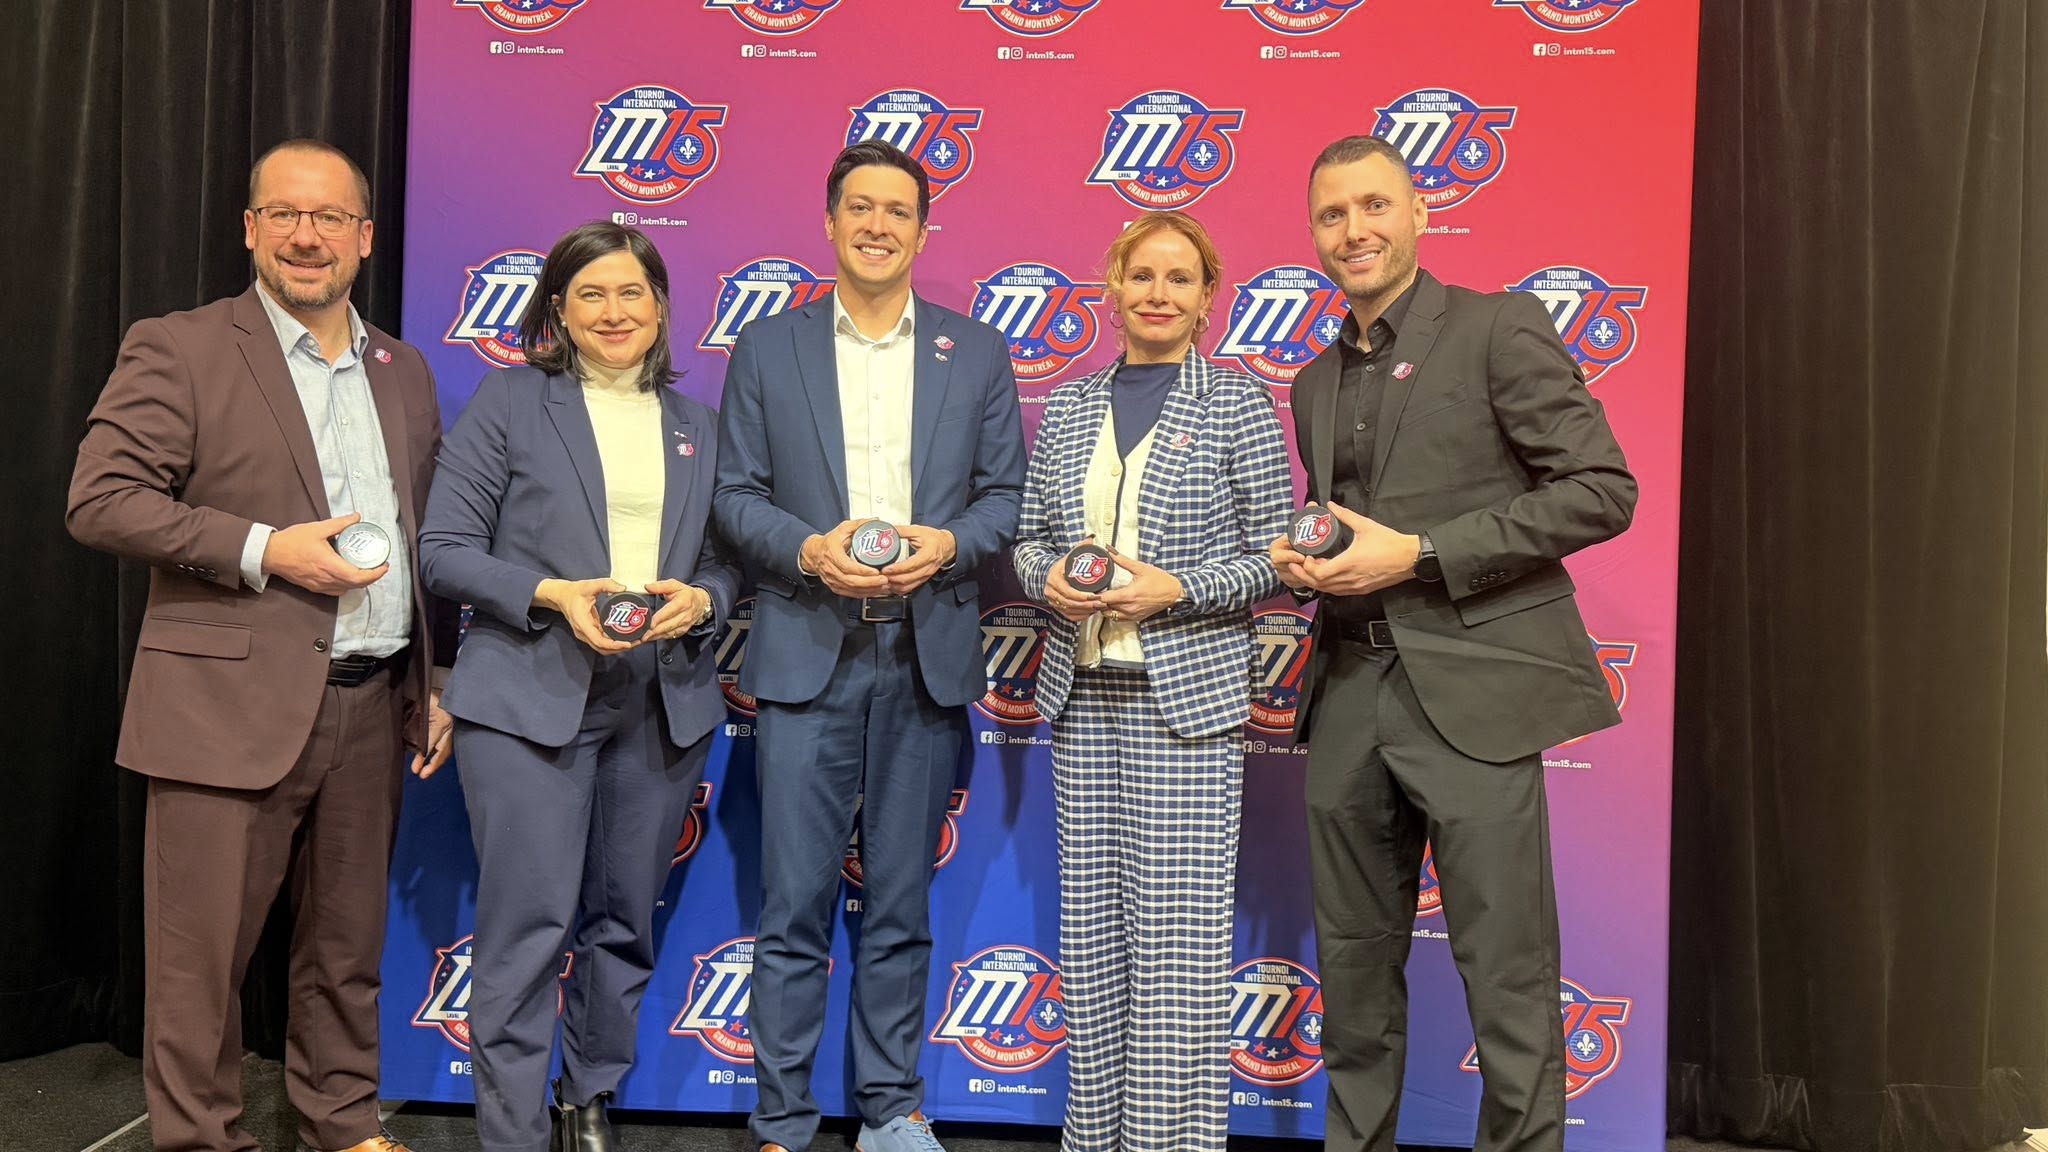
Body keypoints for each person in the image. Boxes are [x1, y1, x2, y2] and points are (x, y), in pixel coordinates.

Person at [66, 139, 453, 1152]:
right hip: (222, 710)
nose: (305, 236)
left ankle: (341, 1121)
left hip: (373, 704)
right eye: (283, 213)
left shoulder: (404, 368)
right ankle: (200, 1140)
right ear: (249, 229)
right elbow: (101, 500)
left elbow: (422, 537)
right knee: (200, 967)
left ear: (365, 237)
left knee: (346, 948)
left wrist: (434, 676)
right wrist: (266, 549)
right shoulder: (181, 346)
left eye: (329, 217)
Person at [1268, 135, 1638, 1152]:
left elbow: (1601, 490)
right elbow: (1349, 530)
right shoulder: (1310, 382)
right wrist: (1309, 562)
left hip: (1472, 694)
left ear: (1420, 213)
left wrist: (1422, 554)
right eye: (1332, 214)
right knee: (1351, 973)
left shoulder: (1496, 327)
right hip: (1348, 690)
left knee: (1507, 970)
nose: (1354, 229)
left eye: (1374, 205)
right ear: (1313, 234)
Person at [712, 140, 1026, 1152]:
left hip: (924, 659)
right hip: (808, 653)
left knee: (899, 905)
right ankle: (782, 1121)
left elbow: (1004, 499)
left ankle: (889, 1108)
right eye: (860, 207)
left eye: (898, 210)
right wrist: (809, 551)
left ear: (923, 231)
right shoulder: (769, 348)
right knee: (792, 906)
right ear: (830, 221)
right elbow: (734, 497)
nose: (878, 225)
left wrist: (948, 547)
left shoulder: (974, 351)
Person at [418, 221, 741, 1152]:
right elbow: (443, 551)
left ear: (661, 308)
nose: (614, 311)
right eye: (591, 294)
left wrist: (704, 600)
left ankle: (587, 1096)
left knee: (625, 921)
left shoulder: (698, 425)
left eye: (631, 292)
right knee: (529, 925)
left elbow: (727, 563)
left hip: (660, 701)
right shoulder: (512, 401)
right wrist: (555, 595)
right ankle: (513, 1133)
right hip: (528, 695)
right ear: (558, 311)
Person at [1009, 210, 1291, 1152]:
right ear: (1113, 288)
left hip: (1187, 706)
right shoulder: (1070, 405)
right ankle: (1095, 1140)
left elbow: (1278, 559)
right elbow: (1031, 538)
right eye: (1142, 275)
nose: (1158, 294)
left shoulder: (1240, 404)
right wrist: (1046, 576)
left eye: (1179, 279)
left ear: (1208, 299)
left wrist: (1179, 590)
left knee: (1178, 949)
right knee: (1091, 941)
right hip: (1083, 695)